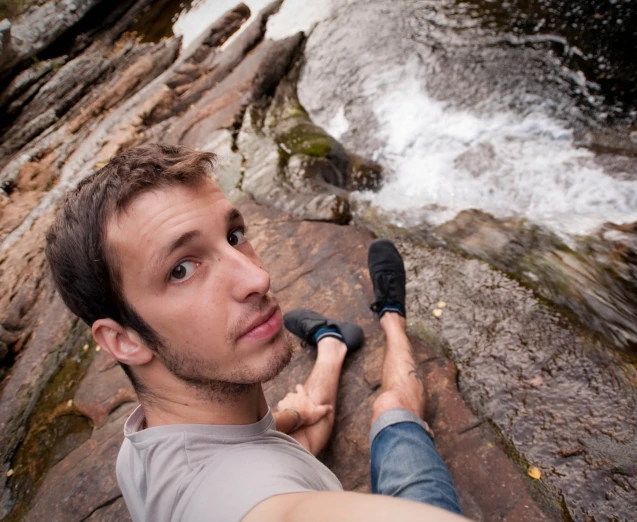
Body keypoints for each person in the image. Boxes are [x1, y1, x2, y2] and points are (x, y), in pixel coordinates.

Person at [44, 143, 466, 522]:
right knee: (393, 409)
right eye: (181, 269)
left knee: (309, 424)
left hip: (272, 446)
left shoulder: (138, 455)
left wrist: (292, 417)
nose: (257, 278)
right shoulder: (250, 499)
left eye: (234, 235)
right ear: (124, 340)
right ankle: (393, 320)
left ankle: (331, 345)